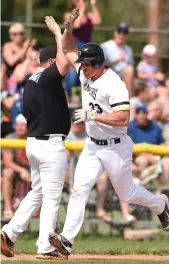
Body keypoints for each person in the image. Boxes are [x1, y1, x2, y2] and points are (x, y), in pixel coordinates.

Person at [48, 9, 169, 258]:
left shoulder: (114, 84)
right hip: (93, 145)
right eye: (83, 64)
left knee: (128, 194)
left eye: (87, 64)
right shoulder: (87, 72)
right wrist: (68, 29)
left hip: (115, 146)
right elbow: (70, 50)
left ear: (99, 63)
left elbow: (123, 117)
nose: (82, 67)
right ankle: (66, 242)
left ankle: (161, 204)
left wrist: (93, 116)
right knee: (79, 190)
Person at [1, 16, 71, 260]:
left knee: (38, 192)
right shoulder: (48, 77)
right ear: (50, 62)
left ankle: (9, 232)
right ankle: (45, 246)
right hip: (50, 145)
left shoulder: (30, 82)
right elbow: (63, 62)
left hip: (34, 143)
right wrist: (57, 33)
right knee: (51, 196)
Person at [64, 0, 101, 102]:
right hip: (74, 48)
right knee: (72, 79)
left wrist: (94, 6)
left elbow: (97, 21)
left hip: (87, 49)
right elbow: (77, 25)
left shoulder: (88, 15)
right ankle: (68, 99)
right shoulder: (68, 15)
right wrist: (82, 8)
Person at [128, 102, 169, 185]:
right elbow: (127, 147)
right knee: (142, 161)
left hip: (155, 157)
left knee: (166, 162)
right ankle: (141, 190)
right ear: (135, 114)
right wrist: (144, 155)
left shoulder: (155, 126)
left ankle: (161, 191)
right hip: (138, 157)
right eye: (138, 112)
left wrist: (156, 156)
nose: (141, 115)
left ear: (147, 114)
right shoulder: (130, 127)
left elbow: (162, 144)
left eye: (143, 112)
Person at [2, 114, 29, 221]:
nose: (20, 127)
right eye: (18, 125)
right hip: (16, 171)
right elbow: (7, 162)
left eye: (23, 125)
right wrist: (22, 170)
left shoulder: (33, 138)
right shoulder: (10, 138)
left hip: (32, 170)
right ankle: (8, 208)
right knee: (7, 173)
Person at [101, 22, 134, 97]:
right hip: (109, 74)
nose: (121, 35)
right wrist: (115, 62)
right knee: (129, 69)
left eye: (125, 32)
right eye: (119, 31)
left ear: (127, 35)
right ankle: (129, 99)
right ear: (115, 32)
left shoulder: (129, 49)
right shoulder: (105, 46)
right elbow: (99, 65)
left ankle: (130, 99)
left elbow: (131, 67)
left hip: (124, 77)